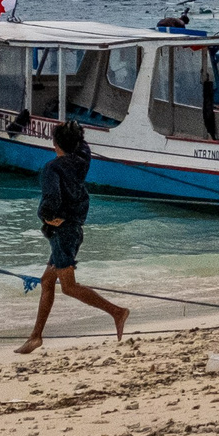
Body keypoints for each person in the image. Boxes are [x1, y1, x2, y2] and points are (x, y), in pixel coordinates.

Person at [17, 121, 128, 353]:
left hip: (63, 232)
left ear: (55, 143)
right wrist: (71, 131)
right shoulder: (82, 160)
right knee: (47, 281)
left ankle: (117, 312)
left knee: (68, 287)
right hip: (73, 230)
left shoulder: (52, 168)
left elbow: (52, 200)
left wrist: (45, 216)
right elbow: (82, 145)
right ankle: (36, 337)